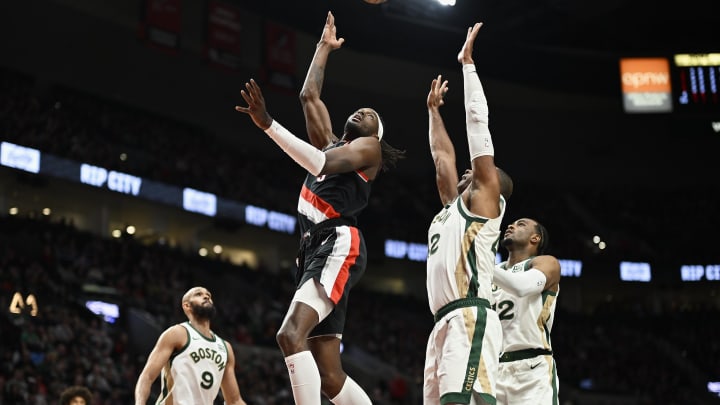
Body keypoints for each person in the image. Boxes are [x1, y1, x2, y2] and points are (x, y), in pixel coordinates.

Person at [235, 10, 404, 405]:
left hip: (338, 241)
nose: (363, 111)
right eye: (361, 109)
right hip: (315, 247)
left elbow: (321, 164)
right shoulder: (329, 141)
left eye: (372, 116)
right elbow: (309, 96)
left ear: (375, 133)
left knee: (289, 335)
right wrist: (322, 48)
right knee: (328, 374)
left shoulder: (368, 150)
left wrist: (268, 125)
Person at [423, 22, 513, 405]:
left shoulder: (485, 202)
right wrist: (432, 111)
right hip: (443, 321)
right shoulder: (451, 209)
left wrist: (467, 66)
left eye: (476, 176)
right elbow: (443, 156)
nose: (468, 174)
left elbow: (479, 128)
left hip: (470, 317)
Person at [134, 286, 247, 405]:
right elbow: (147, 377)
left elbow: (234, 400)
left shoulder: (225, 348)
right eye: (198, 294)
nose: (206, 296)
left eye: (208, 295)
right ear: (187, 306)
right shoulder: (177, 334)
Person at [492, 218, 561, 404]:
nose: (511, 226)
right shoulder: (494, 270)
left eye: (521, 224)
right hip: (492, 369)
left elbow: (521, 287)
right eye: (512, 223)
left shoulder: (547, 263)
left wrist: (481, 263)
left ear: (535, 238)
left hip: (532, 369)